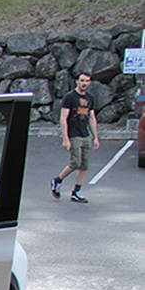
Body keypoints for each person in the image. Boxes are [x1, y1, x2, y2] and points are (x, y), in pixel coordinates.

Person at [51, 72, 99, 203]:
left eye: (87, 81)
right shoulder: (70, 97)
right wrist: (65, 138)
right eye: (82, 80)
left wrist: (95, 137)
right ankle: (57, 180)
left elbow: (91, 118)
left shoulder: (90, 98)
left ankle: (76, 192)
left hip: (85, 135)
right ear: (77, 81)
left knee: (84, 166)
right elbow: (63, 118)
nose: (84, 83)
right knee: (75, 163)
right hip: (74, 135)